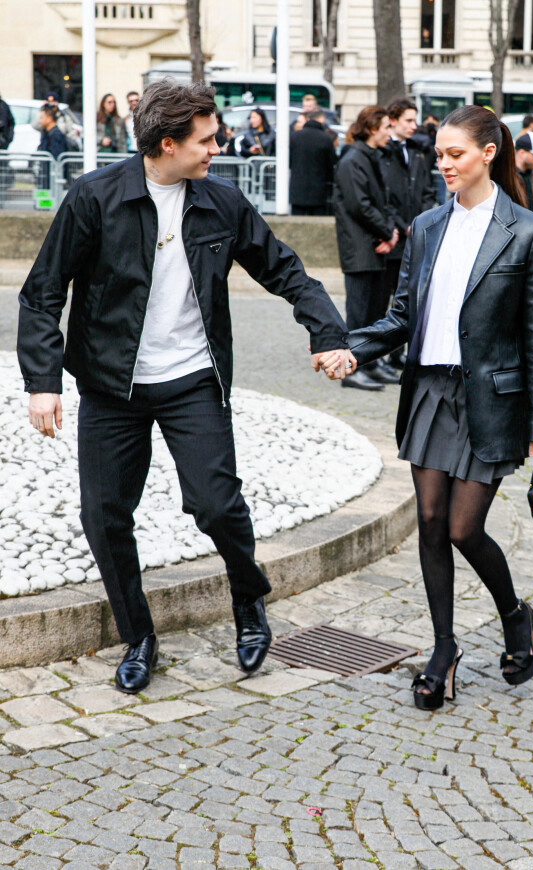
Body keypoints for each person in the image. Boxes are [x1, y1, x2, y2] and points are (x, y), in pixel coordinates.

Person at [17, 79, 355, 695]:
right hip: (111, 388)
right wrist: (44, 383)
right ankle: (137, 634)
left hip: (192, 381)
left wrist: (328, 334)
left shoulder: (221, 202)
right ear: (166, 144)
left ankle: (248, 600)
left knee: (217, 504)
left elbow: (284, 269)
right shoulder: (95, 198)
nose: (216, 147)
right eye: (204, 140)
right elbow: (42, 294)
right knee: (105, 515)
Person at [319, 105, 533, 708]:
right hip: (429, 389)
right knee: (428, 522)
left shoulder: (526, 233)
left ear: (486, 153)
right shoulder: (427, 226)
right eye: (438, 153)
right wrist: (352, 348)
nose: (443, 163)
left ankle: (515, 615)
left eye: (455, 153)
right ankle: (444, 648)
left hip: (489, 398)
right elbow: (403, 314)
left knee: (462, 528)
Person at [333, 105, 399, 391]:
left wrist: (387, 234)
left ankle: (368, 364)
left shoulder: (370, 157)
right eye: (386, 127)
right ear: (372, 129)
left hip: (372, 247)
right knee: (358, 315)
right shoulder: (353, 160)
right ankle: (350, 370)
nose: (390, 132)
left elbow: (378, 202)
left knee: (374, 312)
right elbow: (359, 206)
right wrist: (387, 232)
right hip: (360, 248)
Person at [379, 96, 436, 377]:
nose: (414, 126)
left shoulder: (416, 152)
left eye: (415, 120)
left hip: (415, 234)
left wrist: (422, 220)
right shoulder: (384, 153)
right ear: (393, 121)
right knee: (388, 297)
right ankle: (383, 355)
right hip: (394, 236)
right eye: (409, 121)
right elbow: (385, 196)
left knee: (408, 297)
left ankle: (397, 355)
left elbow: (426, 189)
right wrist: (404, 225)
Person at [290, 109, 337, 215]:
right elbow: (331, 164)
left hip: (297, 190)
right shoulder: (326, 139)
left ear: (308, 119)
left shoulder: (295, 137)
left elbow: (289, 161)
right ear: (322, 120)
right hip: (318, 190)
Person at [36, 103, 68, 188]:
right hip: (47, 174)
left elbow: (57, 157)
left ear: (49, 118)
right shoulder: (47, 133)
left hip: (52, 176)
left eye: (42, 118)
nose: (40, 120)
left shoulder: (55, 135)